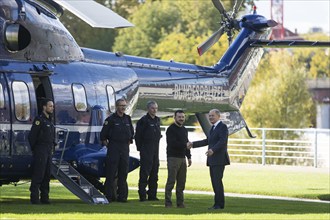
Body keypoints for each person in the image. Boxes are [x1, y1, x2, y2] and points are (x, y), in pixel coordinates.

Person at [187, 109, 230, 210]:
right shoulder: (213, 128)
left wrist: (213, 150)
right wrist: (193, 144)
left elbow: (222, 141)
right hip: (212, 159)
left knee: (217, 182)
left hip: (219, 159)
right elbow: (207, 141)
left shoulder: (222, 127)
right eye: (209, 116)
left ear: (218, 116)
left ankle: (219, 205)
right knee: (215, 182)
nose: (210, 117)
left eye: (212, 116)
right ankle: (218, 204)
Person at [100, 98, 134, 203]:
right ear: (117, 106)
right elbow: (103, 137)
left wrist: (125, 146)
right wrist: (109, 147)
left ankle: (122, 197)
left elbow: (131, 135)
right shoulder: (110, 119)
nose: (123, 107)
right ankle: (109, 196)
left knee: (123, 174)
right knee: (111, 174)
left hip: (124, 148)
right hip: (113, 148)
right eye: (121, 105)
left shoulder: (127, 119)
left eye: (124, 105)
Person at [28, 98, 55, 204]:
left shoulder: (49, 120)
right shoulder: (39, 120)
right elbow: (32, 136)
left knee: (47, 174)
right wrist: (36, 149)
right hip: (41, 149)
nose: (52, 108)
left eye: (52, 106)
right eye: (50, 106)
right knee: (38, 174)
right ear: (44, 107)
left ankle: (45, 197)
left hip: (48, 150)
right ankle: (34, 198)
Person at [135, 101, 162, 201]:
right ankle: (142, 195)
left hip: (156, 150)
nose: (155, 110)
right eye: (152, 108)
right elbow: (138, 136)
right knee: (144, 173)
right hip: (146, 150)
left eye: (156, 108)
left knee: (154, 173)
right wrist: (141, 149)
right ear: (148, 109)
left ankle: (152, 195)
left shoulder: (157, 120)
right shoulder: (143, 121)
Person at [165, 110, 192, 208]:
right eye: (179, 117)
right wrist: (185, 145)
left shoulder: (184, 129)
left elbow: (187, 144)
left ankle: (180, 203)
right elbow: (172, 144)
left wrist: (189, 157)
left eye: (182, 117)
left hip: (182, 158)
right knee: (171, 181)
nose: (181, 119)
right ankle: (168, 203)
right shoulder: (171, 129)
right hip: (173, 158)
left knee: (181, 182)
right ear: (175, 118)